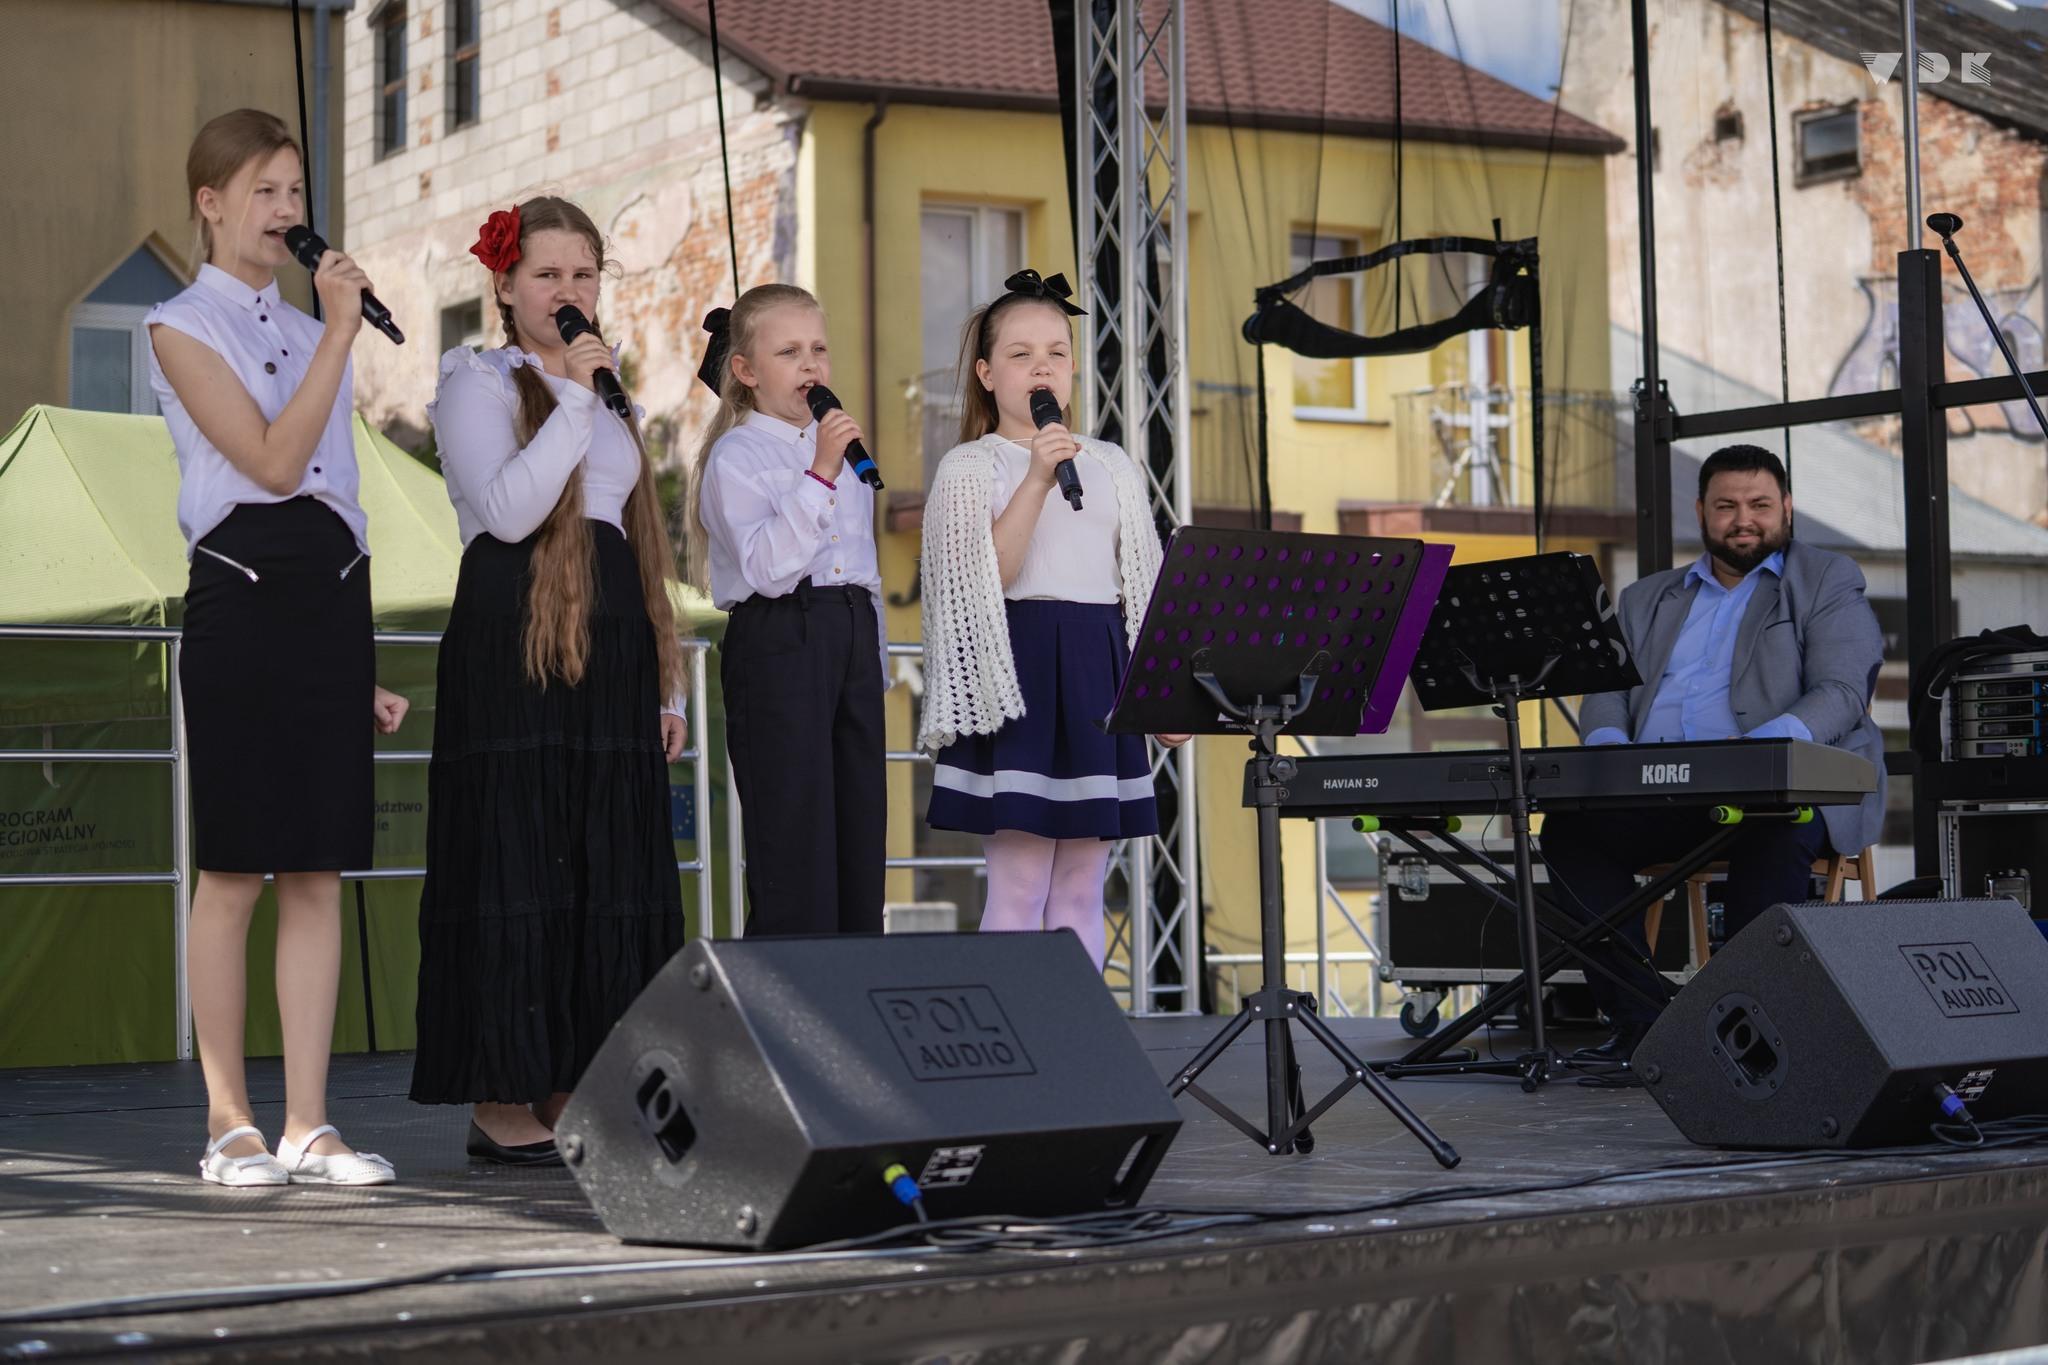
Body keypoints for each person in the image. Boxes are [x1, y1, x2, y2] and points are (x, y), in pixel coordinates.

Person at [147, 108, 407, 1187]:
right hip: (241, 587)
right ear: (210, 203)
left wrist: (361, 660)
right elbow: (268, 462)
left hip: (330, 593)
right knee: (235, 869)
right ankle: (229, 1122)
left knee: (315, 869)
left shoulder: (310, 331)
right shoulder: (176, 324)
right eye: (264, 190)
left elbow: (336, 495)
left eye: (295, 192)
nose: (286, 211)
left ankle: (307, 1122)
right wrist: (339, 332)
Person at [411, 198, 689, 1164]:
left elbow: (639, 539)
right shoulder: (477, 380)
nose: (568, 293)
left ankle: (580, 1080)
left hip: (610, 634)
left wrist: (666, 681)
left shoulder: (609, 394)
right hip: (515, 626)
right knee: (516, 854)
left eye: (584, 275)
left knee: (602, 858)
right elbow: (507, 511)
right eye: (547, 275)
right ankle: (501, 1098)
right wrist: (571, 397)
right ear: (505, 286)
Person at [1541, 444, 1885, 1060]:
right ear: (1701, 511)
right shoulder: (1646, 597)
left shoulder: (1825, 579)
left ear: (1787, 507)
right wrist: (1611, 751)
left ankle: (1747, 1029)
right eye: (1726, 506)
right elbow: (1606, 691)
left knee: (1776, 828)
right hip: (1660, 788)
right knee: (1570, 832)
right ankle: (1645, 1026)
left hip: (1780, 788)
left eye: (1759, 504)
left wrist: (1759, 751)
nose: (1743, 519)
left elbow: (1841, 691)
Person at [917, 269, 1188, 971]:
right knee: (1020, 884)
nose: (1042, 367)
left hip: (1098, 674)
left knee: (1081, 888)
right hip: (1019, 677)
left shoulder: (1113, 465)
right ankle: (1011, 1032)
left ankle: (1081, 1030)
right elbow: (984, 579)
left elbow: (1145, 589)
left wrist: (1165, 692)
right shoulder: (970, 466)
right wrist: (1037, 478)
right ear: (986, 374)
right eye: (1020, 353)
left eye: (1056, 353)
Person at [687, 284, 888, 937]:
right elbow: (769, 570)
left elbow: (861, 565)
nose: (811, 365)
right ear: (746, 370)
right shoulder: (738, 454)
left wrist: (874, 661)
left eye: (819, 349)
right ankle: (793, 989)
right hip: (783, 637)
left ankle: (856, 979)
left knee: (859, 830)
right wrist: (821, 472)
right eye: (789, 351)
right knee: (795, 838)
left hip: (848, 635)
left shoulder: (841, 454)